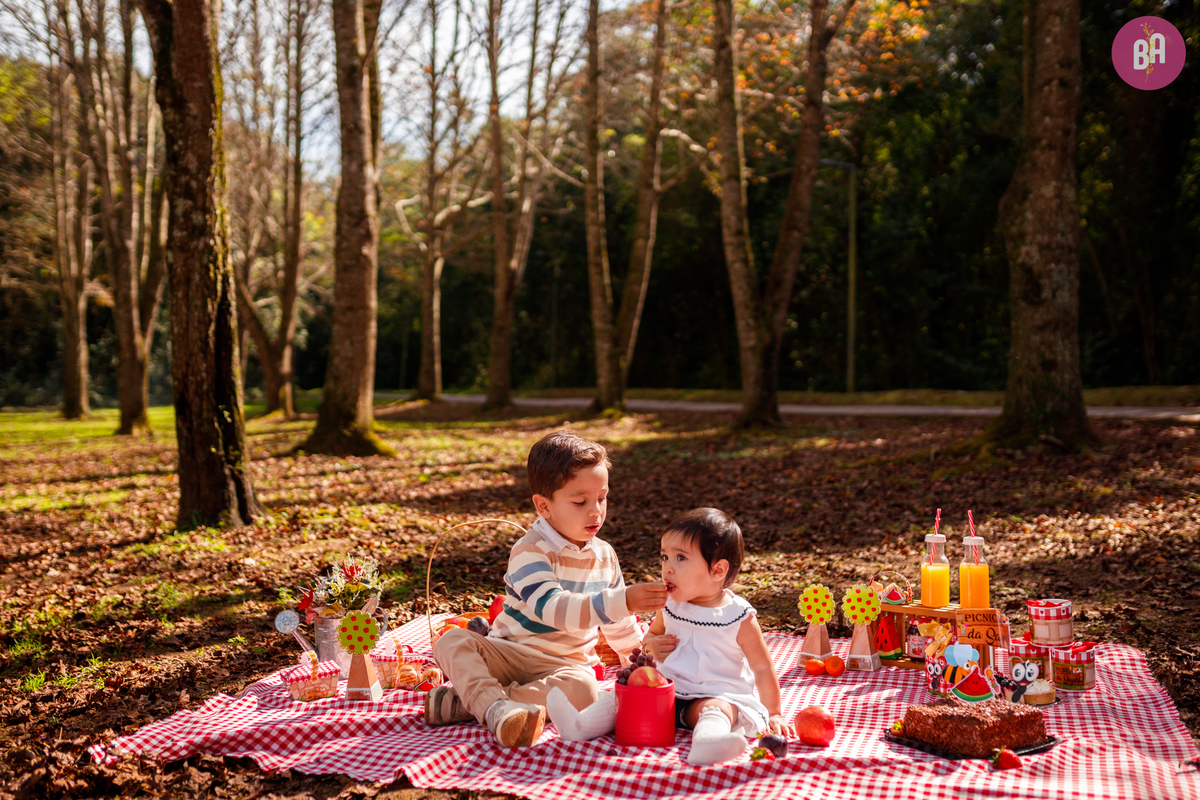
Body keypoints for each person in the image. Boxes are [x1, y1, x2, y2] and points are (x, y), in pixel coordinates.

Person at [425, 430, 668, 747]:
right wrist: (622, 601)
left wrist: (638, 662)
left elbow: (619, 624)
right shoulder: (530, 551)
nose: (595, 511)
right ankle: (496, 708)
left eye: (602, 498)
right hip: (508, 654)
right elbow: (553, 609)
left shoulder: (605, 555)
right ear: (544, 506)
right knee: (454, 641)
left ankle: (478, 703)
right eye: (580, 502)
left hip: (564, 666)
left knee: (585, 690)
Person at [546, 507, 795, 765]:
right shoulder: (670, 605)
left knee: (717, 710)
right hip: (663, 694)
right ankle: (580, 724)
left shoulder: (738, 616)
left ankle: (707, 743)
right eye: (664, 557)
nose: (667, 568)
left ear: (717, 570)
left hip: (711, 696)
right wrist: (651, 645)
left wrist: (774, 712)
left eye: (680, 558)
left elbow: (763, 668)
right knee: (622, 695)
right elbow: (650, 636)